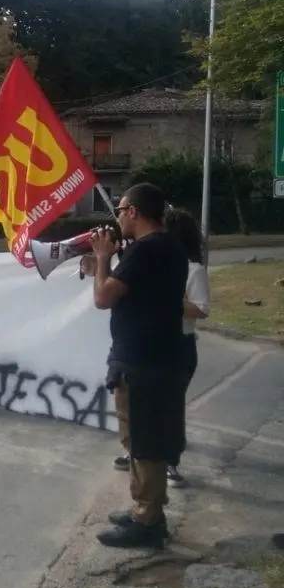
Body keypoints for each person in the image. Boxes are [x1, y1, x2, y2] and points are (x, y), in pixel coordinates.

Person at [90, 183, 189, 549]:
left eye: (120, 209)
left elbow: (103, 297)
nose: (117, 216)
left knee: (144, 441)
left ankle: (147, 521)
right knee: (142, 440)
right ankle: (145, 509)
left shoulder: (147, 250)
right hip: (158, 357)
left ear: (134, 212)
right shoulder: (167, 248)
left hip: (143, 363)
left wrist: (102, 258)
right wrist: (110, 264)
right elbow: (133, 289)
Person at [162, 207, 210, 488]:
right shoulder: (155, 265)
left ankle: (170, 461)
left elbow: (201, 310)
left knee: (171, 405)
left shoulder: (194, 270)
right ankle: (137, 451)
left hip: (180, 344)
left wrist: (168, 298)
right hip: (155, 342)